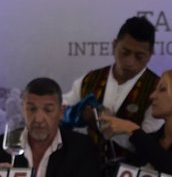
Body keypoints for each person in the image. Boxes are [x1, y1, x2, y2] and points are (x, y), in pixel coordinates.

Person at [0, 77, 101, 177]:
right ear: (23, 109)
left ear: (61, 112)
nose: (39, 119)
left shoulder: (82, 147)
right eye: (32, 109)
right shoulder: (1, 145)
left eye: (48, 110)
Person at [62, 16, 163, 163]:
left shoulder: (158, 90)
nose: (130, 62)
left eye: (139, 56)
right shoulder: (89, 80)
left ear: (150, 55)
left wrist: (113, 125)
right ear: (114, 45)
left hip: (132, 175)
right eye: (125, 52)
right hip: (87, 172)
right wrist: (78, 115)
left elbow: (150, 144)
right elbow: (60, 111)